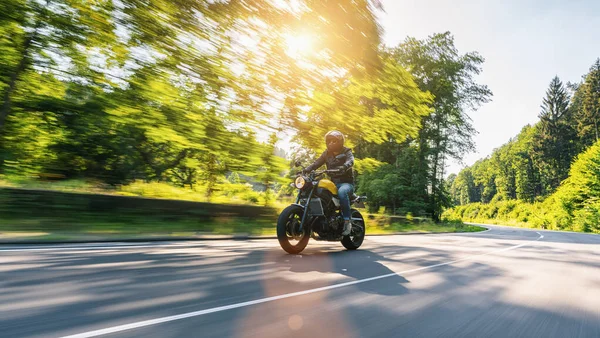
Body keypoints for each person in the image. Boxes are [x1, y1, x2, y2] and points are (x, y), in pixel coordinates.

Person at [304, 130, 355, 236]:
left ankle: (347, 222)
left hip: (346, 183)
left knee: (342, 192)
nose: (330, 143)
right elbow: (316, 163)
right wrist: (306, 170)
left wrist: (345, 166)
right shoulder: (326, 153)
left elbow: (351, 161)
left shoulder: (346, 151)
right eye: (329, 141)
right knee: (314, 190)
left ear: (340, 142)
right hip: (333, 183)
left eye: (333, 141)